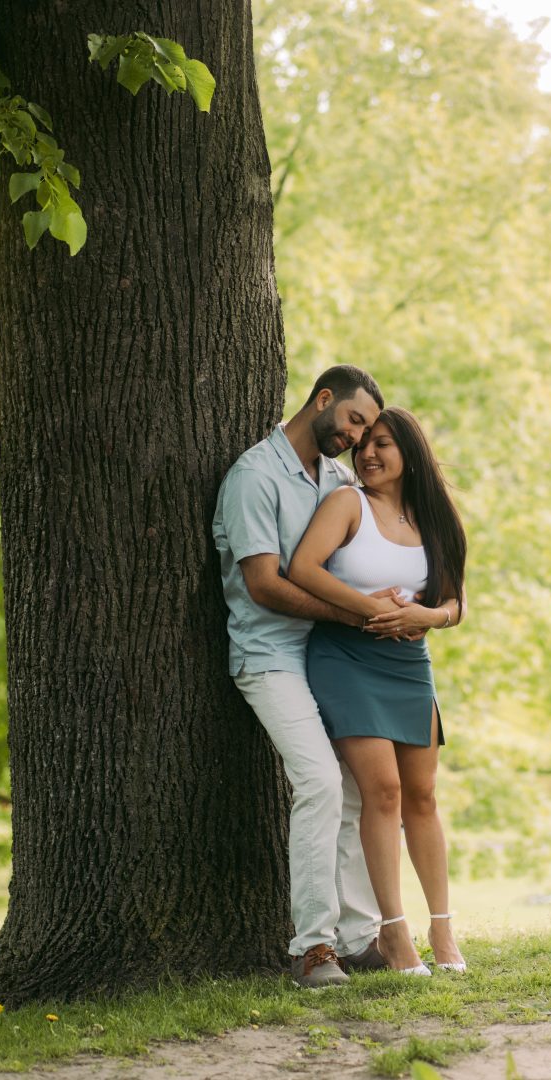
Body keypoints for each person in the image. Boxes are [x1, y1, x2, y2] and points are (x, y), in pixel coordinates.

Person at [213, 365, 415, 988]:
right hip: (269, 657)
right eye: (353, 421)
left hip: (330, 659)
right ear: (323, 401)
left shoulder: (334, 479)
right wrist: (356, 614)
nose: (357, 439)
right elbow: (264, 585)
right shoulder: (254, 475)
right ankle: (313, 948)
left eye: (366, 430)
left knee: (358, 789)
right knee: (322, 783)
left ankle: (360, 938)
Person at [288, 407, 467, 975]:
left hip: (409, 663)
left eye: (382, 443)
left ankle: (444, 931)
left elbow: (454, 604)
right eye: (363, 444)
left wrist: (426, 617)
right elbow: (302, 569)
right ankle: (393, 935)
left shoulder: (436, 520)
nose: (367, 453)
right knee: (383, 792)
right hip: (345, 659)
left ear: (409, 452)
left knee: (423, 797)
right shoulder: (347, 504)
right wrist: (370, 610)